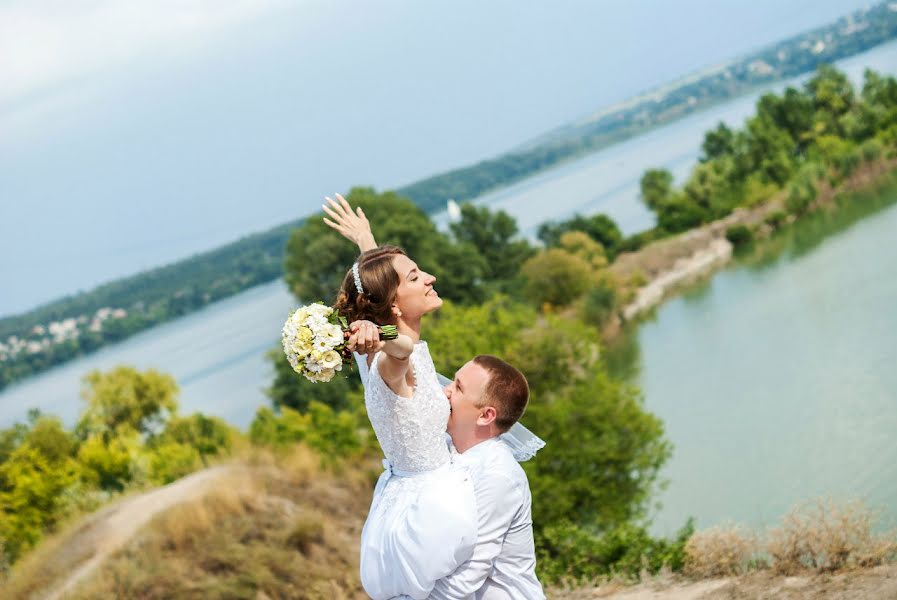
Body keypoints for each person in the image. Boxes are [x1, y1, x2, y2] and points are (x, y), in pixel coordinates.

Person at [324, 194, 544, 598]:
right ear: (392, 304)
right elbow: (399, 354)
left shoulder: (387, 346)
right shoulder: (391, 358)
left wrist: (366, 243)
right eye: (414, 277)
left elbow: (383, 296)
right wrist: (387, 339)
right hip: (432, 506)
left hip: (417, 503)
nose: (429, 277)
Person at [431, 354, 545, 599]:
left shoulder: (498, 476)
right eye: (453, 381)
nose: (445, 391)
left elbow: (467, 577)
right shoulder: (444, 449)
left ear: (486, 415)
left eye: (458, 387)